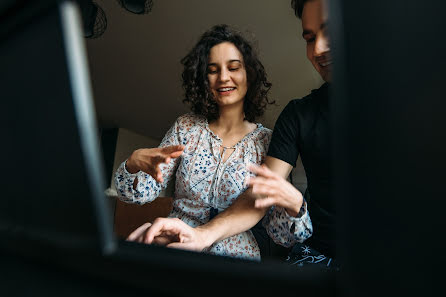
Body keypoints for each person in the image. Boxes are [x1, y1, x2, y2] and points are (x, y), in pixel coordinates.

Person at [128, 0, 335, 267]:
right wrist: (133, 167)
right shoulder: (185, 128)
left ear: (250, 75)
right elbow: (141, 193)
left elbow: (281, 231)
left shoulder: (265, 140)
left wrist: (295, 205)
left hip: (238, 258)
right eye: (213, 70)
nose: (223, 78)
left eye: (234, 67)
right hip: (178, 247)